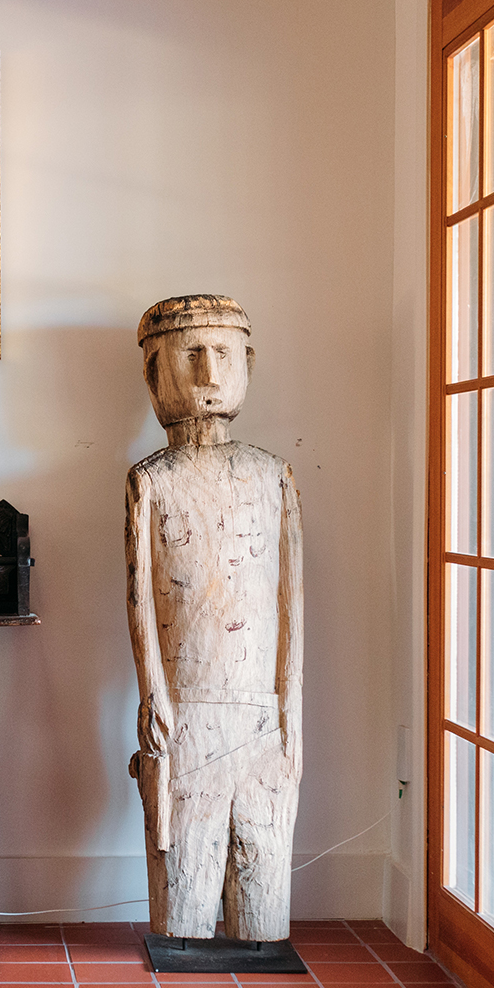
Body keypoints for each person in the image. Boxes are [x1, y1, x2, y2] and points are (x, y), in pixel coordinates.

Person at [124, 295, 303, 943]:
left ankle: (259, 934)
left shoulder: (271, 476)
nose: (207, 372)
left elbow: (293, 608)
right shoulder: (153, 479)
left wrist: (292, 719)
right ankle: (185, 936)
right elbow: (141, 600)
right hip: (185, 708)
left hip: (262, 711)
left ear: (247, 363)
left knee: (263, 869)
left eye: (222, 353)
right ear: (154, 372)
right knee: (184, 879)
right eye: (189, 354)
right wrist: (154, 695)